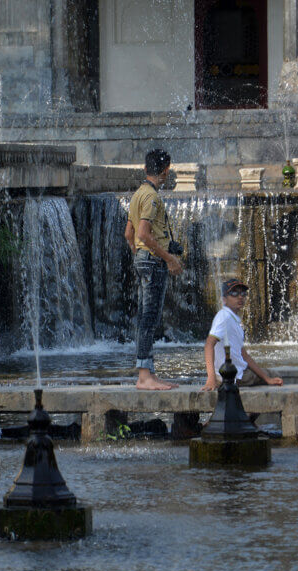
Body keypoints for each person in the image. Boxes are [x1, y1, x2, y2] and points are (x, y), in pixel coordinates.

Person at [124, 148, 183, 390]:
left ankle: (149, 373)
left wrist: (138, 255)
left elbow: (129, 234)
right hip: (152, 261)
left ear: (145, 168)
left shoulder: (138, 194)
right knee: (149, 319)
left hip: (144, 259)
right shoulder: (152, 197)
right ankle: (144, 376)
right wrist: (168, 258)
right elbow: (142, 233)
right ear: (166, 171)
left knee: (147, 317)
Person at [202, 279, 283, 390]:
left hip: (236, 373)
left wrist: (267, 379)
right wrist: (211, 379)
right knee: (275, 374)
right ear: (224, 299)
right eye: (234, 293)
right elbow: (209, 345)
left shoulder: (233, 319)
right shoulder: (223, 317)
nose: (240, 297)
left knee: (270, 375)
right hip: (235, 376)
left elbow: (244, 355)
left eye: (243, 293)